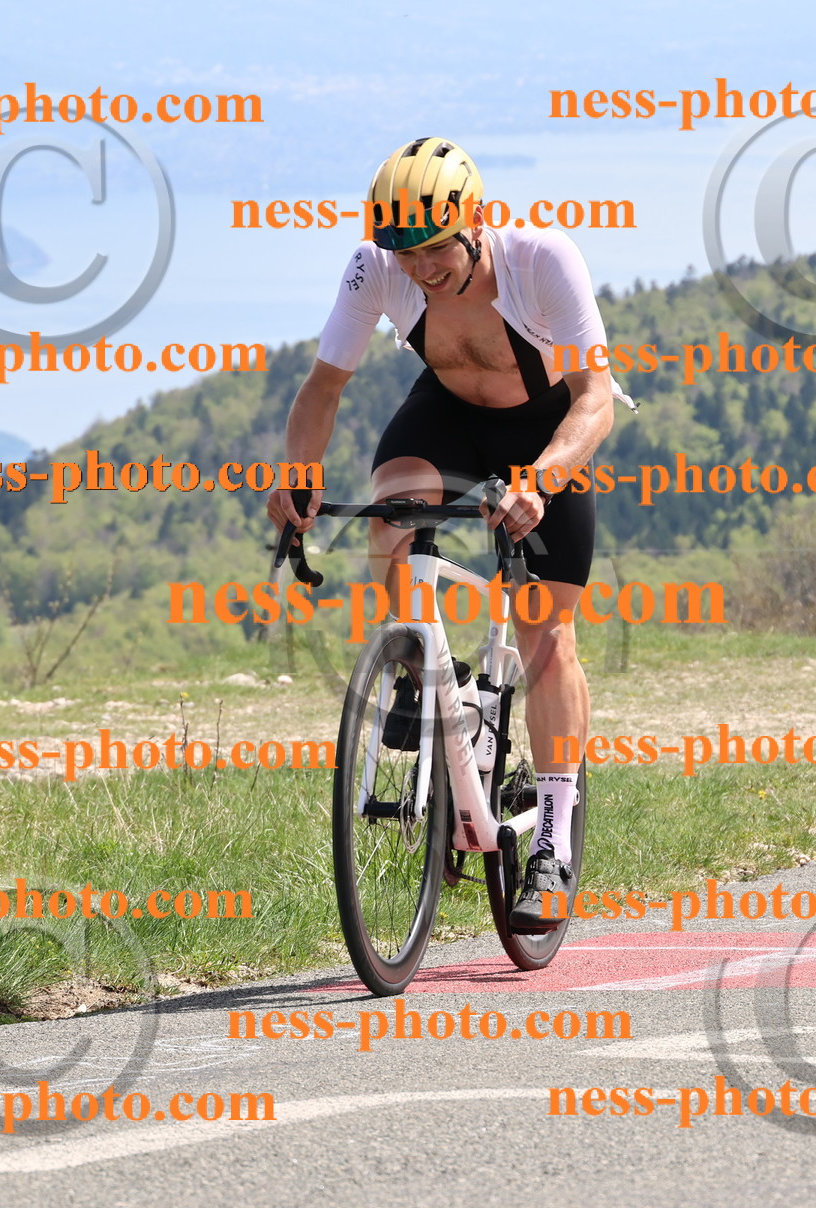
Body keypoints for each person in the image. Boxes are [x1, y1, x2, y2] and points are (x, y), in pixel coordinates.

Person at [267, 136, 629, 930]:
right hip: (450, 419)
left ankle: (553, 845)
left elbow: (595, 397)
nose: (421, 269)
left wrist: (541, 481)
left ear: (475, 221)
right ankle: (414, 666)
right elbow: (323, 387)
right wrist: (298, 471)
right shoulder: (375, 268)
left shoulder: (541, 261)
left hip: (545, 434)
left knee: (545, 631)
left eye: (435, 249)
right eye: (405, 251)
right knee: (393, 502)